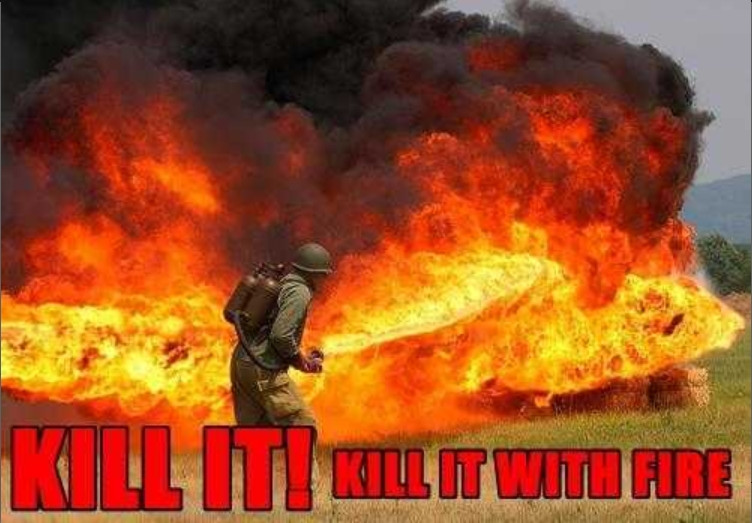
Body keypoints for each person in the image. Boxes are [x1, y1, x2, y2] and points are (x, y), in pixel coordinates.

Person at [229, 242, 333, 439]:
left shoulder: (282, 284)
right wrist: (299, 359)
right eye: (323, 275)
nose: (324, 280)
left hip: (242, 362)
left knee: (257, 433)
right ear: (315, 273)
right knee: (303, 426)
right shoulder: (300, 291)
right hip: (262, 367)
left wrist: (300, 360)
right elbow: (281, 335)